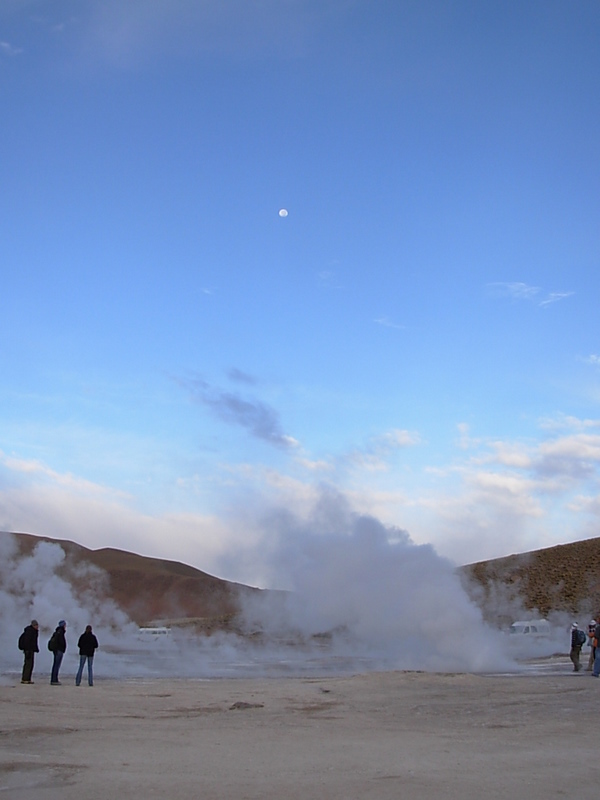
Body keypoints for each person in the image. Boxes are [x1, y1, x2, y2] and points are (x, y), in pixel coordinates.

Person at [18, 620, 39, 684]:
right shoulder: (30, 631)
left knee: (30, 664)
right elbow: (28, 642)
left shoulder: (32, 631)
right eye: (36, 625)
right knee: (28, 664)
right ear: (33, 625)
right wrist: (28, 650)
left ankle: (27, 678)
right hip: (28, 650)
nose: (37, 627)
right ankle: (25, 679)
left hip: (30, 650)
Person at [49, 620, 67, 685]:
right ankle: (54, 680)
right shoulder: (60, 632)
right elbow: (61, 642)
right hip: (59, 651)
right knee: (56, 665)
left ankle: (54, 679)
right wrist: (62, 648)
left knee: (55, 665)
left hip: (56, 650)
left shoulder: (57, 632)